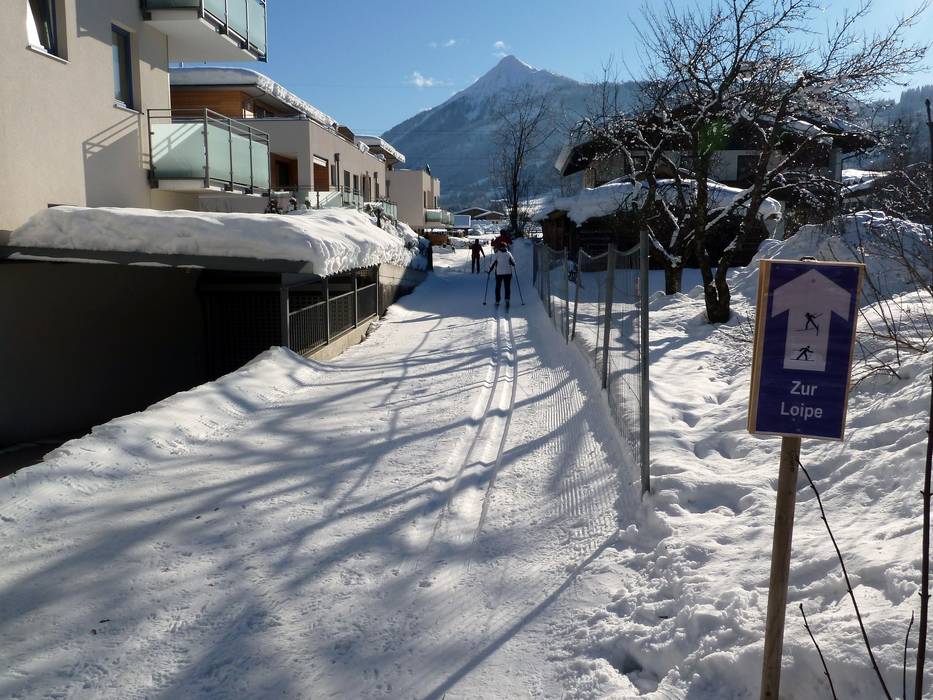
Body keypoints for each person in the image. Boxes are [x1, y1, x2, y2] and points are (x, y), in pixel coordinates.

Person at [488, 242, 516, 308]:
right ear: (506, 247)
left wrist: (489, 270)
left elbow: (492, 263)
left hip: (499, 273)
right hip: (508, 273)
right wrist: (511, 262)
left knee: (498, 287)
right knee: (507, 287)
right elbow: (513, 263)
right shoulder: (508, 254)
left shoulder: (497, 254)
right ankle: (507, 299)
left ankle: (497, 300)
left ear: (499, 247)